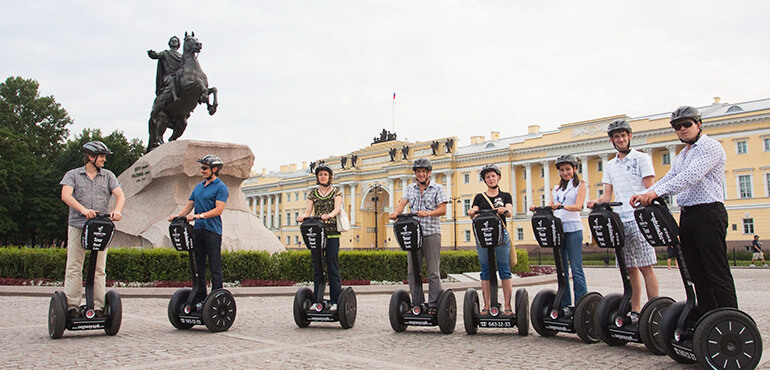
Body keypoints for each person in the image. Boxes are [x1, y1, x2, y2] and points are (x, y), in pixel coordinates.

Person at [631, 105, 738, 314]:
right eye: (677, 127)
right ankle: (708, 318)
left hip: (708, 213)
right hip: (688, 215)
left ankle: (729, 320)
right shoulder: (682, 156)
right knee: (696, 273)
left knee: (716, 272)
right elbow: (670, 178)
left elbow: (690, 176)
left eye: (687, 124)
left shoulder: (710, 147)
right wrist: (645, 193)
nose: (682, 129)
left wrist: (654, 194)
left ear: (698, 124)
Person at [587, 119, 659, 316]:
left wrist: (645, 200)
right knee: (629, 268)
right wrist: (596, 202)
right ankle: (635, 309)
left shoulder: (641, 159)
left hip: (639, 218)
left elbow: (650, 188)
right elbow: (607, 195)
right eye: (616, 136)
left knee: (646, 266)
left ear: (629, 136)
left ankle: (654, 309)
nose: (620, 139)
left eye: (623, 135)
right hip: (620, 220)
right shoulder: (610, 165)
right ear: (612, 140)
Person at [59, 141, 125, 319]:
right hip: (78, 225)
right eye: (102, 156)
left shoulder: (108, 176)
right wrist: (83, 210)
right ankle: (72, 306)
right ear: (91, 157)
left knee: (99, 268)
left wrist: (117, 210)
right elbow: (66, 195)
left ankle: (97, 307)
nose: (104, 160)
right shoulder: (73, 175)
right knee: (74, 265)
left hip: (100, 227)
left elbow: (120, 195)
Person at [168, 154, 229, 308]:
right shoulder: (199, 187)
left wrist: (198, 216)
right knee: (199, 266)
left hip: (213, 231)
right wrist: (178, 216)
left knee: (214, 267)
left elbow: (218, 210)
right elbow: (189, 205)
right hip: (199, 231)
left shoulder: (221, 188)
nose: (201, 171)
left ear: (215, 169)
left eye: (204, 168)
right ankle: (200, 297)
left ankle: (216, 297)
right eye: (201, 168)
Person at [390, 158, 448, 314]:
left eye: (423, 171)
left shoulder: (438, 188)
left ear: (429, 173)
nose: (421, 174)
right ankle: (417, 304)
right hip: (414, 235)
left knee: (433, 271)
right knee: (413, 271)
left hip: (431, 233)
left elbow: (443, 210)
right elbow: (402, 203)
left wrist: (428, 212)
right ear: (415, 174)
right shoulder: (410, 188)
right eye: (418, 172)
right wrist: (396, 212)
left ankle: (433, 305)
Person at [531, 154, 587, 306]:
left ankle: (582, 304)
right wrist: (538, 209)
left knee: (576, 269)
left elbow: (578, 206)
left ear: (575, 169)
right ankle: (565, 304)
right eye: (562, 170)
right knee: (562, 270)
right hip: (558, 229)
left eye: (568, 169)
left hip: (573, 229)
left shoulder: (580, 185)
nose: (565, 172)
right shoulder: (557, 188)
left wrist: (562, 206)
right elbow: (551, 206)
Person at [467, 164, 515, 316]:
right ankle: (487, 306)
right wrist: (472, 211)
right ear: (484, 180)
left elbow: (509, 213)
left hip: (501, 236)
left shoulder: (505, 195)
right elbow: (473, 212)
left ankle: (507, 306)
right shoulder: (479, 197)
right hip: (483, 236)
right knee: (485, 271)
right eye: (488, 177)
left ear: (498, 177)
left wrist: (504, 210)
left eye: (493, 176)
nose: (491, 179)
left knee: (504, 270)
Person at [297, 164, 343, 311]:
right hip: (317, 235)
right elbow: (308, 211)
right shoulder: (313, 194)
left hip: (332, 233)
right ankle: (318, 300)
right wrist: (303, 217)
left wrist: (329, 215)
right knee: (318, 268)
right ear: (317, 177)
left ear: (330, 177)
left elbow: (337, 208)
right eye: (320, 174)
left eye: (325, 174)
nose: (323, 176)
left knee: (332, 267)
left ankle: (335, 301)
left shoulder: (336, 191)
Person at [147, 36, 182, 100]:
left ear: (178, 44)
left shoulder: (181, 56)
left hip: (178, 75)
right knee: (171, 80)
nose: (174, 42)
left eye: (176, 41)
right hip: (169, 75)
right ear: (169, 43)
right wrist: (151, 53)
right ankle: (175, 97)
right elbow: (156, 55)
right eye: (172, 41)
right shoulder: (165, 53)